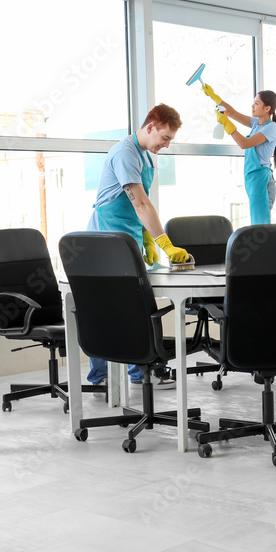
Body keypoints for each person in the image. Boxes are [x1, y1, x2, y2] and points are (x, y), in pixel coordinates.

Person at [86, 103, 191, 389]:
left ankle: (139, 368)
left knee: (134, 304)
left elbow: (141, 204)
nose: (166, 144)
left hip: (127, 237)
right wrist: (165, 243)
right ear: (151, 126)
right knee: (111, 307)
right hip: (106, 239)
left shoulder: (145, 156)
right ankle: (112, 373)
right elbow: (141, 203)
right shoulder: (124, 153)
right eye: (165, 137)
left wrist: (145, 236)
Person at [201, 85, 276, 225]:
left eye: (256, 103)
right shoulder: (257, 123)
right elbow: (232, 112)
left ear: (267, 108)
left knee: (260, 226)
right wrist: (214, 96)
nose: (252, 106)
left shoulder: (271, 128)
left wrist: (227, 124)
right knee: (257, 224)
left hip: (261, 180)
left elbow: (245, 143)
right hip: (253, 179)